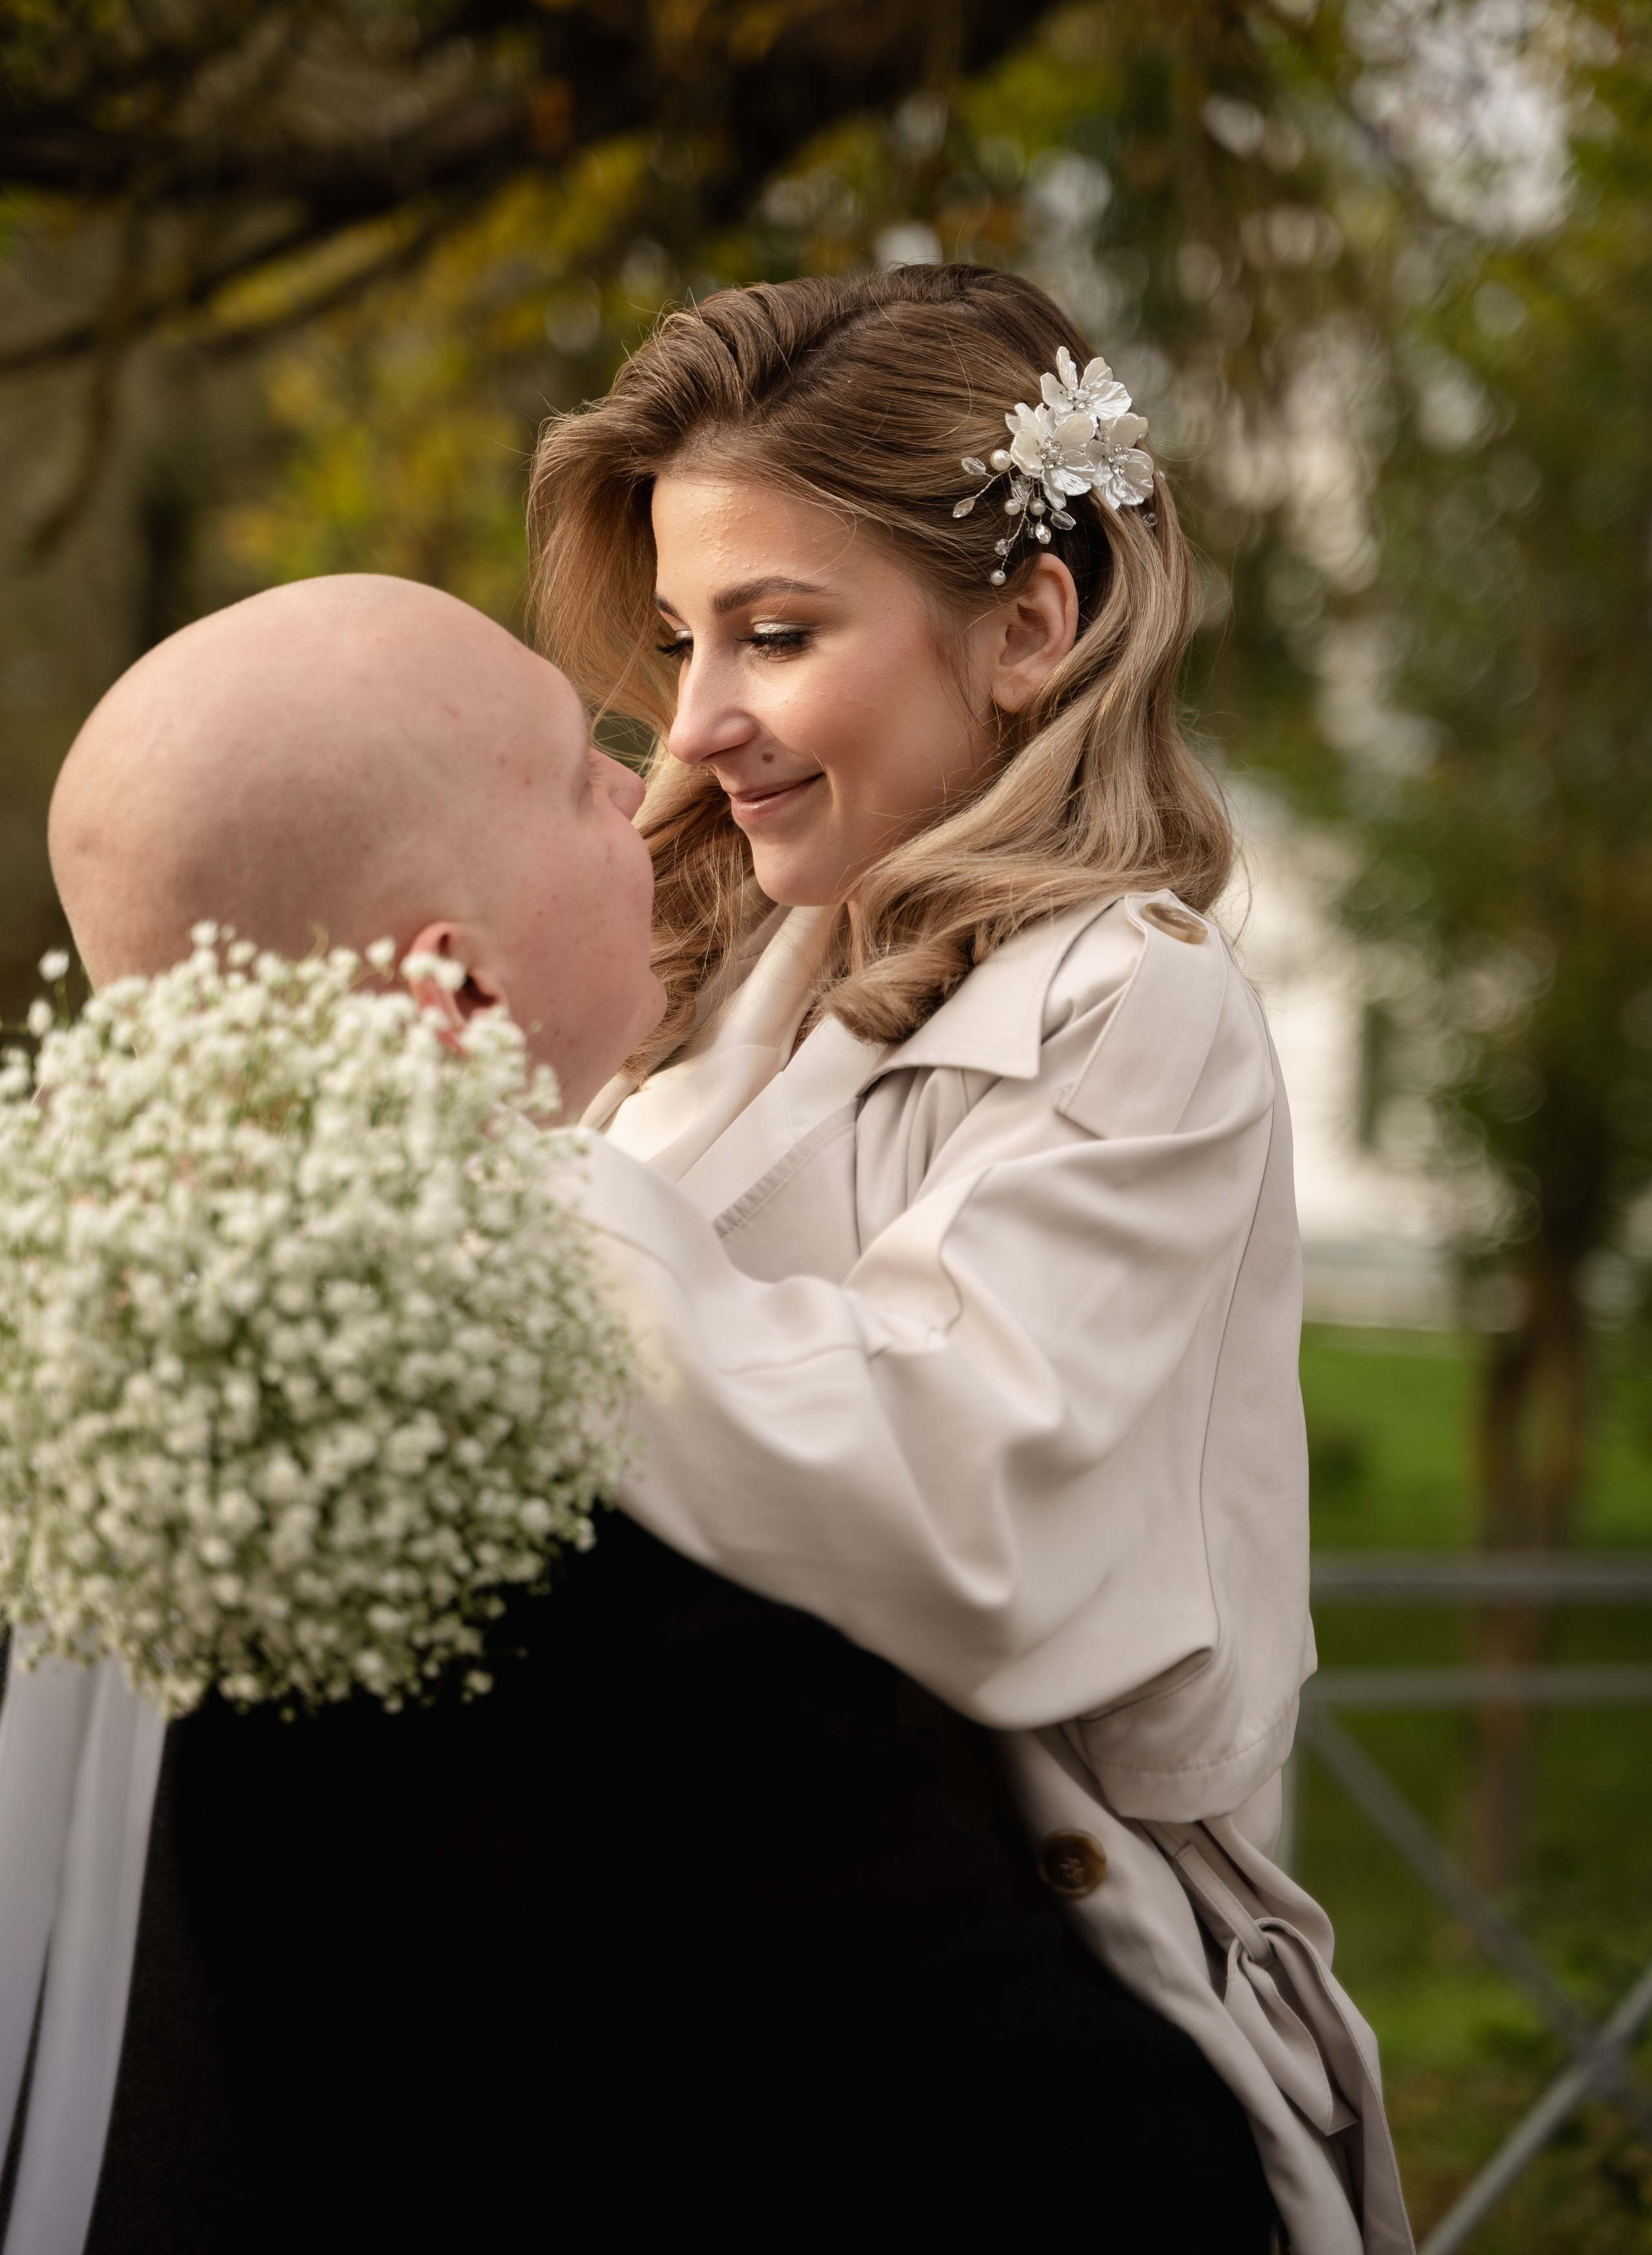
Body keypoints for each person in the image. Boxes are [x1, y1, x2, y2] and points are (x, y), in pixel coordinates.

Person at [525, 264, 1413, 2252]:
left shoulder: (1137, 1007)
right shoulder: (703, 973)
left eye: (775, 632)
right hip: (709, 2009)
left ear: (1028, 626)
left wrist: (475, 1207)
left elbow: (947, 1500)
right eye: (680, 640)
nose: (699, 722)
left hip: (1019, 2056)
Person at [1, 576, 668, 2255]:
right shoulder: (572, 1519)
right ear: (453, 992)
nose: (651, 789)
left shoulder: (111, 1443)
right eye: (589, 770)